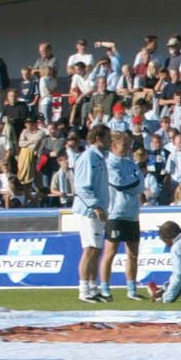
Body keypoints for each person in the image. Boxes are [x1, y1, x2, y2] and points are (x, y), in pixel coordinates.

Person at [101, 130, 144, 300]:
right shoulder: (109, 164)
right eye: (124, 145)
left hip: (132, 214)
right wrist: (133, 181)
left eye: (128, 145)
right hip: (116, 214)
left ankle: (131, 289)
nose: (127, 148)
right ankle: (105, 288)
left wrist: (132, 182)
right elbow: (119, 183)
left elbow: (140, 186)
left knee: (133, 253)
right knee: (110, 253)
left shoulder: (130, 163)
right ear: (113, 146)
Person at [72, 122, 110, 302]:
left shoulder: (100, 157)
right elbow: (81, 186)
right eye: (107, 138)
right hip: (89, 211)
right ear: (98, 138)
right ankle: (84, 290)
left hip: (98, 210)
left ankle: (93, 288)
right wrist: (96, 206)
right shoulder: (88, 157)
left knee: (96, 250)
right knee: (90, 249)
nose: (110, 141)